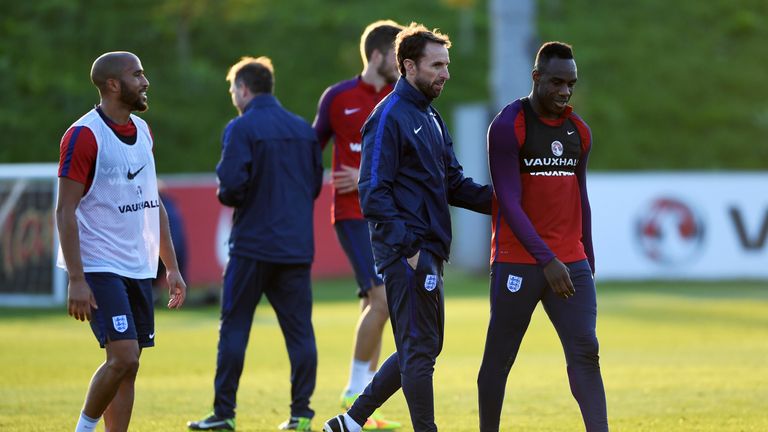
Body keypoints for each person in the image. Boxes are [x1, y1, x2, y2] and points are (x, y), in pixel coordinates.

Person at [323, 23, 493, 432]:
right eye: (437, 65)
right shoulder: (388, 117)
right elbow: (372, 191)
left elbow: (454, 184)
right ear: (408, 66)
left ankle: (350, 421)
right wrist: (409, 250)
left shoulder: (430, 117)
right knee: (419, 350)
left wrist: (507, 202)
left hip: (426, 251)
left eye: (447, 65)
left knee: (424, 346)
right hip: (407, 254)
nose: (445, 73)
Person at [477, 41, 609, 431]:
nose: (565, 92)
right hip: (518, 261)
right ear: (536, 78)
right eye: (556, 82)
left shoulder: (578, 132)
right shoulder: (508, 125)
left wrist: (587, 259)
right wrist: (546, 260)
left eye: (571, 84)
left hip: (570, 263)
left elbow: (580, 198)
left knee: (586, 352)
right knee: (499, 361)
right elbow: (509, 203)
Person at [187, 56, 323, 432]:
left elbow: (230, 188)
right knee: (300, 333)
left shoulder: (241, 128)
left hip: (251, 247)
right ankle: (301, 415)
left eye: (233, 89)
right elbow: (312, 187)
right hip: (295, 248)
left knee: (234, 328)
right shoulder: (303, 130)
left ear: (244, 89)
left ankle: (224, 413)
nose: (233, 95)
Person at [56, 51, 187, 432]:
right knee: (123, 358)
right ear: (113, 84)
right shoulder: (83, 136)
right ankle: (83, 428)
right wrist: (77, 278)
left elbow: (153, 204)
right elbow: (65, 210)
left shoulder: (143, 132)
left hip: (138, 266)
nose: (145, 82)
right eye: (137, 74)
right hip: (99, 265)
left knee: (130, 368)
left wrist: (172, 267)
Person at [313, 19, 403, 431]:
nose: (403, 66)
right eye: (397, 58)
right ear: (380, 55)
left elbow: (409, 159)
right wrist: (328, 179)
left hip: (389, 217)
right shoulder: (338, 98)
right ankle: (354, 393)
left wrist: (364, 169)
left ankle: (365, 405)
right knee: (382, 301)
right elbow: (312, 151)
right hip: (351, 216)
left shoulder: (400, 99)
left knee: (377, 306)